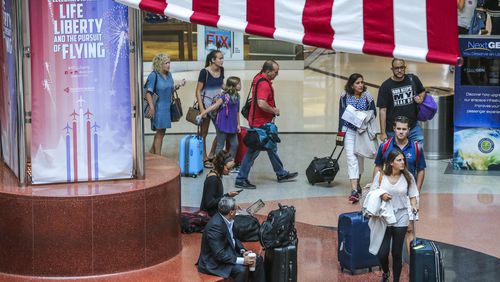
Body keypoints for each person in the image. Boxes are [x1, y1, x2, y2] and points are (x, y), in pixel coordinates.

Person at [235, 60, 298, 189]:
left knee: (271, 148)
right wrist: (274, 110)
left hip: (258, 121)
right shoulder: (263, 84)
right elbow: (261, 103)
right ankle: (241, 179)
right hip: (260, 124)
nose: (277, 74)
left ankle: (281, 173)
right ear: (268, 71)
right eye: (275, 72)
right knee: (252, 151)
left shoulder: (258, 77)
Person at [373, 115, 426, 261]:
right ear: (394, 129)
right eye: (398, 129)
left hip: (408, 193)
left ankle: (412, 267)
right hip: (387, 193)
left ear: (409, 130)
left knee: (409, 229)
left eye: (404, 129)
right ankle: (386, 263)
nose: (401, 132)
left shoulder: (416, 147)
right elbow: (378, 166)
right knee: (387, 228)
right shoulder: (385, 146)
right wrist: (376, 189)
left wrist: (417, 191)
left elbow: (421, 169)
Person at [371, 149, 419, 282]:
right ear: (391, 163)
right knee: (382, 252)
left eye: (403, 159)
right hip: (385, 217)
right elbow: (372, 192)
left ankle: (396, 279)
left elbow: (413, 195)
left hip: (401, 216)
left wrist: (414, 205)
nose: (403, 162)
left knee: (397, 252)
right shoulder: (380, 176)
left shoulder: (408, 176)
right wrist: (382, 195)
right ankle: (386, 272)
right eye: (399, 160)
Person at [197, 197, 266, 282]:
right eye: (236, 209)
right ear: (231, 212)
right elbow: (219, 255)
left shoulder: (229, 219)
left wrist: (242, 251)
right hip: (214, 261)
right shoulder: (215, 227)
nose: (237, 210)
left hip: (228, 252)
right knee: (241, 270)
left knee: (257, 259)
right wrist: (243, 260)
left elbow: (234, 238)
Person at [338, 73, 377, 203]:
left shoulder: (367, 96)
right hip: (349, 131)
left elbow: (373, 113)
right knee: (351, 159)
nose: (361, 85)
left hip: (362, 132)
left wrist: (361, 115)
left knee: (360, 159)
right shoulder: (344, 95)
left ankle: (358, 183)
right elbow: (341, 114)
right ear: (351, 85)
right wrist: (340, 133)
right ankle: (354, 190)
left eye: (362, 82)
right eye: (357, 83)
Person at [377, 58, 425, 145]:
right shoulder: (385, 86)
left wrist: (421, 98)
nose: (399, 70)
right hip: (393, 130)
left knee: (418, 153)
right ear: (392, 69)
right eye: (396, 68)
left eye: (401, 67)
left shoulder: (412, 79)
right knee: (396, 157)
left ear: (405, 68)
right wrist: (383, 132)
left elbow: (422, 91)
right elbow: (382, 110)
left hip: (413, 127)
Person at [145, 53, 185, 155]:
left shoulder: (169, 74)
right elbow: (148, 93)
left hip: (167, 107)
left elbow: (169, 89)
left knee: (162, 132)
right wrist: (152, 107)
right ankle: (158, 156)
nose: (169, 65)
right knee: (160, 133)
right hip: (158, 108)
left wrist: (178, 85)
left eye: (169, 62)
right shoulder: (154, 75)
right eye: (166, 63)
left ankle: (152, 152)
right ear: (160, 64)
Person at [197, 76, 241, 159]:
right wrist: (203, 113)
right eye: (239, 84)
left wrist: (238, 124)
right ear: (233, 86)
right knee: (220, 145)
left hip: (232, 125)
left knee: (235, 144)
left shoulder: (237, 97)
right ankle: (218, 165)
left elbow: (237, 112)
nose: (240, 86)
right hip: (223, 124)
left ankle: (229, 162)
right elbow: (214, 106)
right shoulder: (224, 97)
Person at [195, 50, 225, 169]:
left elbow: (221, 84)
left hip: (217, 106)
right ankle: (204, 158)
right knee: (204, 133)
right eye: (220, 58)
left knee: (221, 132)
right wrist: (202, 110)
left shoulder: (221, 70)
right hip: (206, 106)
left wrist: (232, 87)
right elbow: (197, 91)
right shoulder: (204, 72)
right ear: (212, 60)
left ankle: (212, 154)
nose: (222, 60)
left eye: (222, 58)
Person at [200, 150, 240, 217]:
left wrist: (231, 205)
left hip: (215, 212)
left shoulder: (216, 176)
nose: (229, 171)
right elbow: (209, 203)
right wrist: (227, 196)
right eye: (228, 169)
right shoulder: (213, 179)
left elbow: (217, 199)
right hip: (210, 216)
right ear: (221, 166)